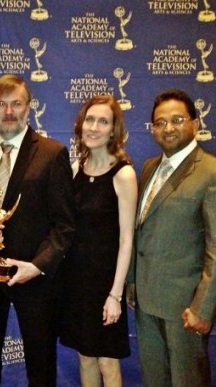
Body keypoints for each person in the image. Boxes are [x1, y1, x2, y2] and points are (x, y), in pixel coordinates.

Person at [0, 74, 76, 387]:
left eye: (16, 104)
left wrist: (37, 266)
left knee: (40, 362)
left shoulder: (52, 153)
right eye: (1, 104)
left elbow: (64, 224)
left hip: (33, 276)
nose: (8, 111)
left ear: (29, 107)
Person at [128, 89, 216, 386]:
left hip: (185, 307)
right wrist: (132, 283)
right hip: (147, 300)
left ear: (196, 123)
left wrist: (204, 308)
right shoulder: (150, 167)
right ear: (152, 129)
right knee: (154, 380)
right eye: (160, 122)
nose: (168, 128)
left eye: (177, 120)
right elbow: (142, 230)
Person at [58, 95, 137, 387]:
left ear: (114, 129)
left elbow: (127, 239)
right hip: (76, 282)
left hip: (105, 284)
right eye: (89, 120)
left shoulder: (123, 174)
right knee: (85, 356)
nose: (94, 127)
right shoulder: (77, 168)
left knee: (107, 362)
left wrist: (115, 294)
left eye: (103, 121)